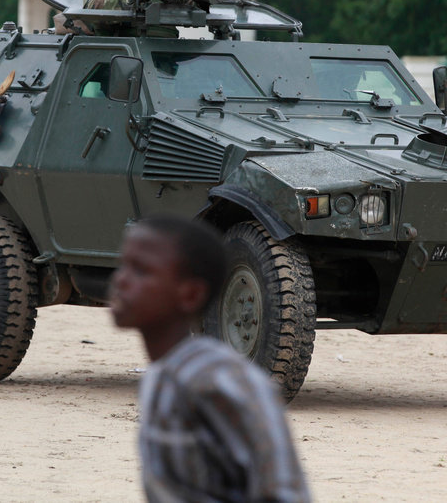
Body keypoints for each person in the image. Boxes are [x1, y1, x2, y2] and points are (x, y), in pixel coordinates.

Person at [110, 215, 311, 503]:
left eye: (141, 271)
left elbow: (283, 492)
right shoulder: (158, 380)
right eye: (124, 266)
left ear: (190, 294)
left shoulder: (224, 381)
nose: (121, 280)